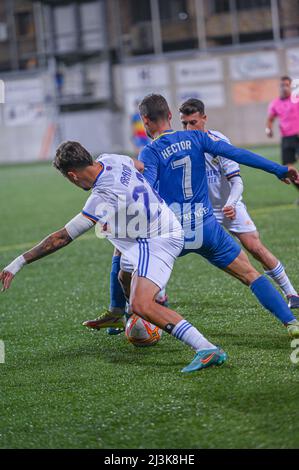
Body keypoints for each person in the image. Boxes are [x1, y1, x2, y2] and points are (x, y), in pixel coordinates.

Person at [0, 142, 227, 374]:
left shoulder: (101, 198)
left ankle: (206, 348)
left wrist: (17, 263)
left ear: (72, 175)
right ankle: (122, 316)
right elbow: (140, 165)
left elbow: (61, 238)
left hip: (157, 240)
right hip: (145, 230)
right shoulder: (111, 159)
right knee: (124, 274)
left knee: (142, 303)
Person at [135, 94, 299, 339]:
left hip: (172, 233)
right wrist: (278, 169)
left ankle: (129, 315)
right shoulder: (198, 137)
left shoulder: (149, 152)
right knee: (251, 275)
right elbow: (240, 154)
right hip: (206, 227)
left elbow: (145, 193)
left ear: (145, 120)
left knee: (129, 265)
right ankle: (292, 323)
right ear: (170, 116)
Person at [179, 98, 299, 309]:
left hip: (228, 205)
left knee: (255, 248)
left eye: (193, 122)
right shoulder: (181, 146)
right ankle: (157, 296)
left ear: (204, 119)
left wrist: (232, 203)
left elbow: (237, 181)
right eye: (184, 123)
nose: (189, 128)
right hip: (201, 211)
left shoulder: (218, 142)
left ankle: (291, 293)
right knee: (169, 244)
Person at [266, 75, 299, 199]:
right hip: (286, 139)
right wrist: (268, 129)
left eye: (287, 85)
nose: (284, 88)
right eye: (282, 85)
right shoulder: (275, 103)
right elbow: (270, 119)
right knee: (288, 170)